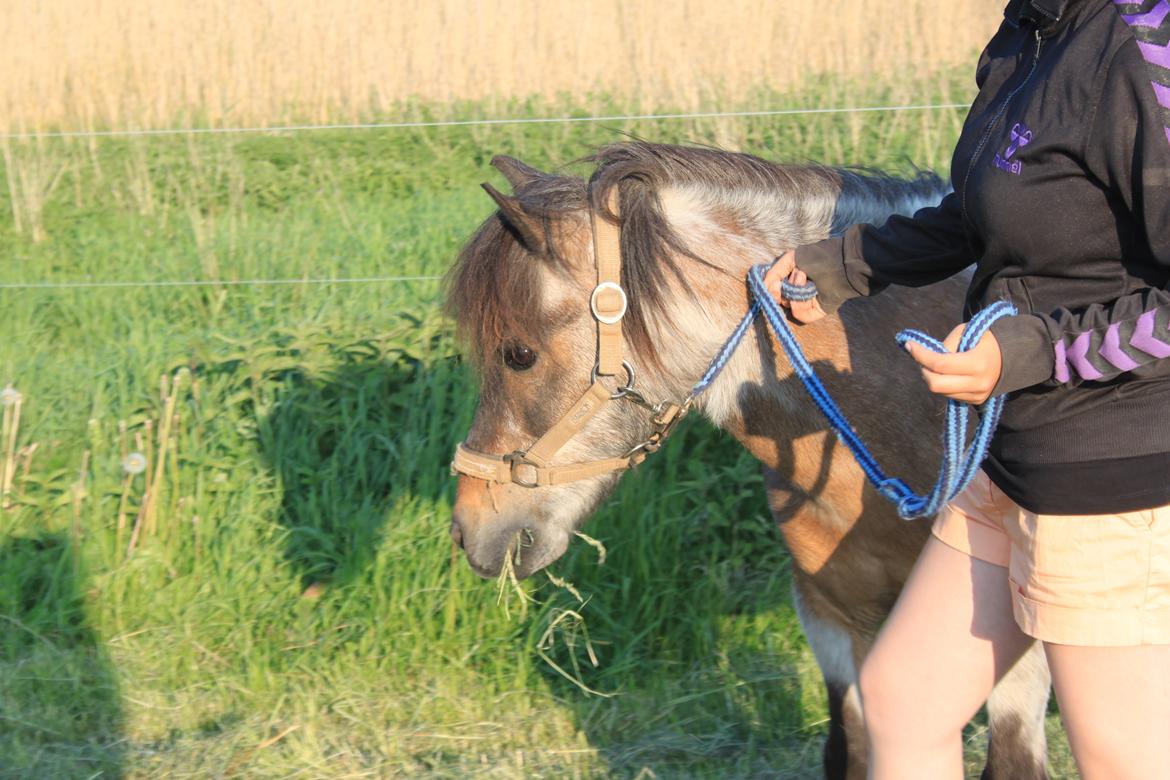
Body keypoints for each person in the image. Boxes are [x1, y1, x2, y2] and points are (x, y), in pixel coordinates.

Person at [763, 0, 1170, 777]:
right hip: (1012, 457)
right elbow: (991, 213)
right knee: (902, 699)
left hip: (1111, 479)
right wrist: (845, 264)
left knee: (1120, 759)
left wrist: (1032, 351)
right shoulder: (1031, 27)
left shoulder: (1142, 48)